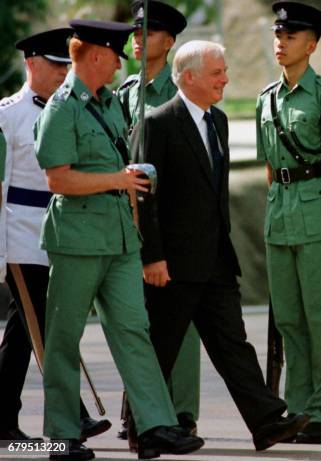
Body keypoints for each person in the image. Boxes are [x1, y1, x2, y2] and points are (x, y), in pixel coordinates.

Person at [34, 20, 203, 460]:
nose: (119, 62)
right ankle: (62, 433)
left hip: (120, 238)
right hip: (76, 238)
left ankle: (155, 427)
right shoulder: (62, 108)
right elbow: (58, 180)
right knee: (65, 337)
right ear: (94, 55)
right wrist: (118, 179)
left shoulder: (110, 102)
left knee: (134, 331)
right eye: (113, 55)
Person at [132, 39, 307, 451]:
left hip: (214, 258)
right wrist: (152, 256)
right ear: (188, 77)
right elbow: (143, 196)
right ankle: (144, 429)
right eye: (217, 73)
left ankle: (266, 422)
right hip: (171, 263)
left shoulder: (220, 121)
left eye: (224, 71)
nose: (225, 79)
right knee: (161, 348)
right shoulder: (157, 123)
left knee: (232, 343)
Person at [0, 27, 111, 444]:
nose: (64, 72)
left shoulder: (70, 109)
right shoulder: (6, 115)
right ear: (31, 63)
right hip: (21, 235)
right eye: (55, 64)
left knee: (23, 330)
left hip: (61, 233)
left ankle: (2, 415)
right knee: (47, 326)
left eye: (68, 64)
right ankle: (75, 413)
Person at [255, 1, 321, 444]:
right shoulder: (266, 99)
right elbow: (271, 169)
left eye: (291, 37)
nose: (281, 43)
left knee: (319, 317)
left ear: (311, 45)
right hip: (280, 215)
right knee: (289, 319)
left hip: (316, 214)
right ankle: (298, 409)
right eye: (278, 35)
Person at [116, 0, 201, 440]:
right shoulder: (126, 91)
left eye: (146, 33)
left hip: (168, 217)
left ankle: (181, 411)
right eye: (133, 32)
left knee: (176, 317)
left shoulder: (180, 92)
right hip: (128, 216)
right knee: (134, 317)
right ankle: (143, 410)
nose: (136, 38)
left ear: (168, 43)